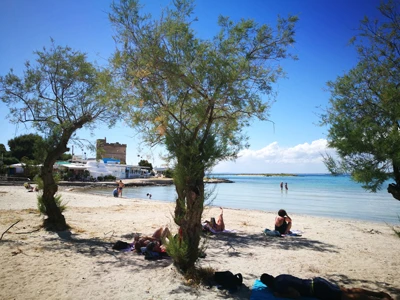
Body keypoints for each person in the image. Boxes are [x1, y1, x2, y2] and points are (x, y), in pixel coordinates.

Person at [260, 273, 393, 300]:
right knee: (348, 290)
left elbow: (296, 294)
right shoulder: (280, 276)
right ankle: (379, 294)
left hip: (316, 289)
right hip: (317, 281)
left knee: (347, 297)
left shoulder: (278, 286)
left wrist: (281, 295)